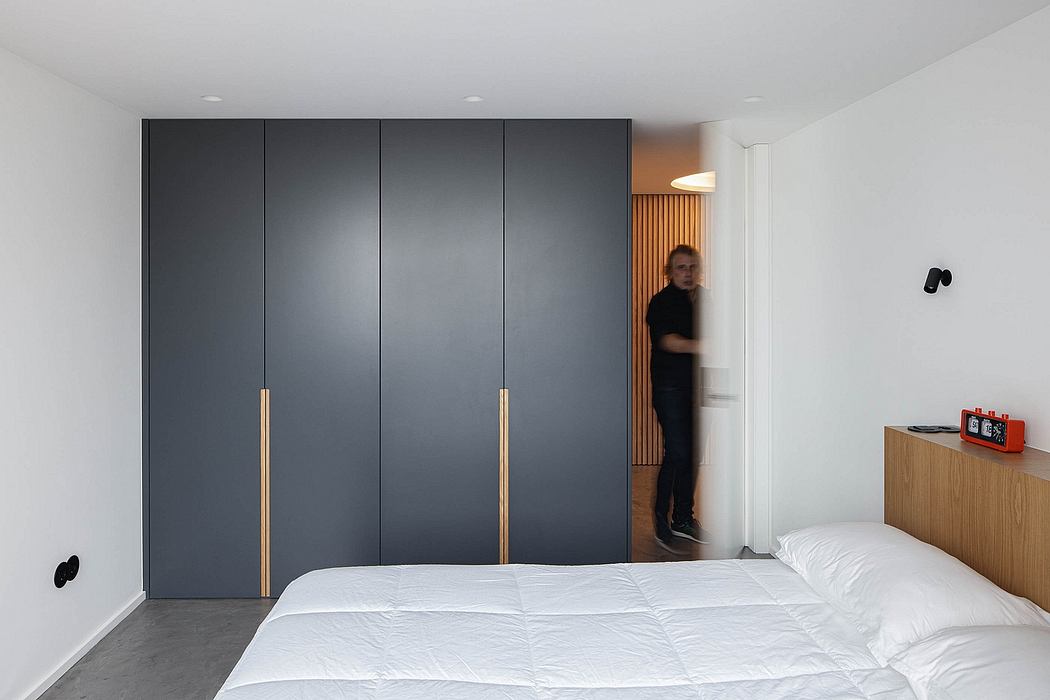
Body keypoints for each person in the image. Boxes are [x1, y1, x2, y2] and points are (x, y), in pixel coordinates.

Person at [645, 244, 710, 549]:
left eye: (692, 267)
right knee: (678, 453)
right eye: (681, 268)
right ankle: (661, 521)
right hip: (670, 388)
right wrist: (707, 345)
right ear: (669, 272)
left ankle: (683, 519)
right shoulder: (661, 302)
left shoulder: (708, 299)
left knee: (694, 455)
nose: (687, 273)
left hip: (702, 387)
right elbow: (669, 341)